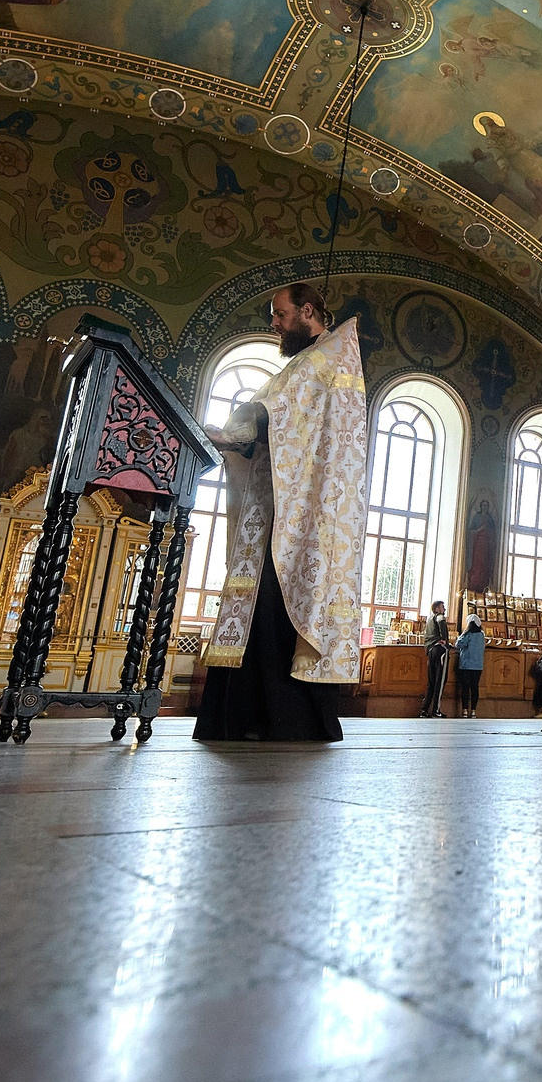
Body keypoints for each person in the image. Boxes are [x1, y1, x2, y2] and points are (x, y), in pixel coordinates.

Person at [195, 284, 369, 743]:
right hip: (278, 501)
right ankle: (245, 716)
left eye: (280, 314)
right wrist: (243, 440)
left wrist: (235, 431)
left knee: (278, 602)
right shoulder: (308, 364)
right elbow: (282, 422)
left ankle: (280, 718)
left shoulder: (326, 359)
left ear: (307, 310)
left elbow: (280, 415)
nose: (274, 322)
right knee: (258, 600)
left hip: (304, 512)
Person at [418, 600, 453, 719]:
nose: (444, 610)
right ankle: (436, 710)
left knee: (431, 682)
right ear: (437, 609)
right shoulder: (439, 617)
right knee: (440, 681)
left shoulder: (429, 620)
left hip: (430, 650)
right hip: (440, 650)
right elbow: (442, 626)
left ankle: (424, 709)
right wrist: (445, 640)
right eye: (443, 607)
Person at [453, 612, 485, 718]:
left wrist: (462, 635)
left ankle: (465, 710)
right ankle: (474, 711)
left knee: (465, 688)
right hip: (478, 666)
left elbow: (458, 644)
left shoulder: (468, 634)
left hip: (466, 665)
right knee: (475, 688)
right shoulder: (481, 635)